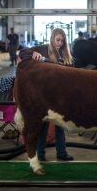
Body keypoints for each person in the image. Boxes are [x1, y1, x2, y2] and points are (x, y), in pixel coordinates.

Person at [18, 28, 73, 161]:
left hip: (61, 95)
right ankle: (40, 154)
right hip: (45, 95)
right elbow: (22, 52)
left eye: (62, 41)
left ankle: (61, 152)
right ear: (52, 38)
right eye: (57, 40)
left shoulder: (66, 54)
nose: (60, 43)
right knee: (43, 125)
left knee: (60, 125)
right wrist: (33, 53)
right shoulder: (43, 49)